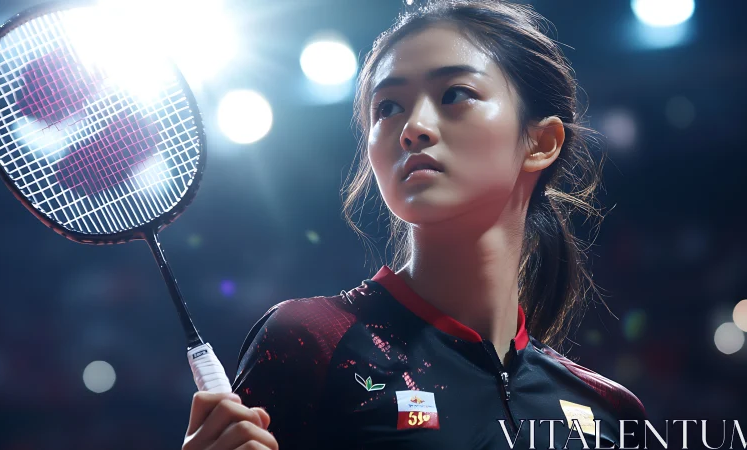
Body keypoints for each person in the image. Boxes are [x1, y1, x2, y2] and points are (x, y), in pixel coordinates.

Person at [183, 1, 648, 449]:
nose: (413, 127)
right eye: (388, 107)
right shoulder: (311, 343)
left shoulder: (610, 413)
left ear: (541, 142)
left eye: (455, 95)